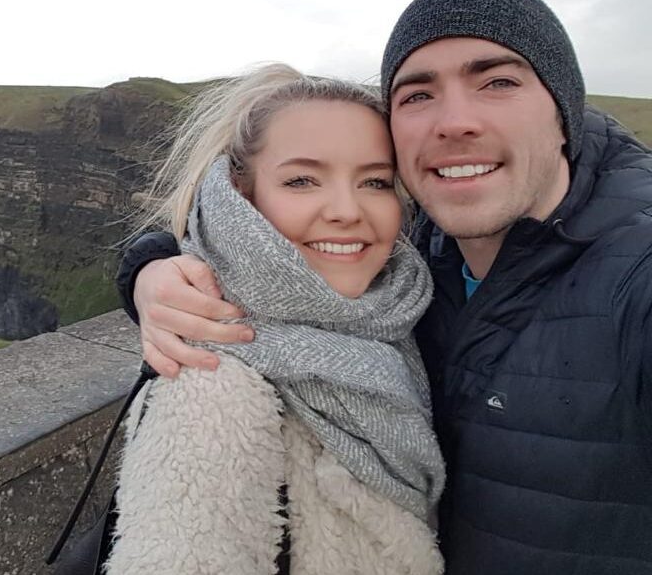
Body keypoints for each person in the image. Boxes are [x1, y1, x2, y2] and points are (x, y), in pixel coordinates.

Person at [117, 0, 652, 575]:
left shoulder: (634, 273)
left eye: (498, 81)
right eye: (418, 94)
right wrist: (151, 267)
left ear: (564, 113)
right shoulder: (417, 258)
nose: (454, 122)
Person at [105, 66, 445, 575]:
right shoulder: (212, 389)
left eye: (375, 181)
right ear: (239, 194)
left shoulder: (394, 313)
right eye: (303, 180)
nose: (347, 210)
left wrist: (144, 268)